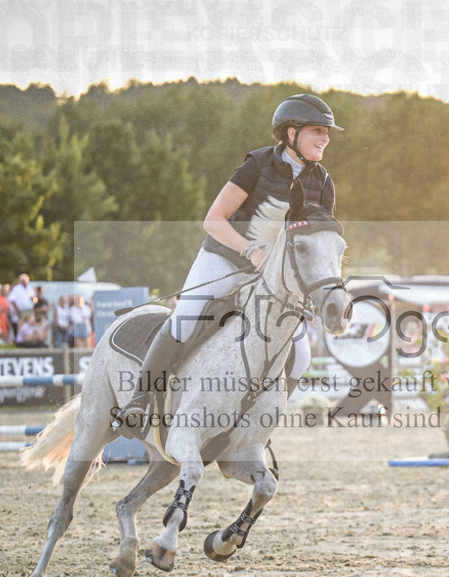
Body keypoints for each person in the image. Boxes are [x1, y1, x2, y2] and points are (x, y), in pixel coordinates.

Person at [112, 93, 342, 434]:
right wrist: (251, 251)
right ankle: (139, 401)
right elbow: (213, 219)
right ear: (291, 133)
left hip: (274, 277)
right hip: (225, 257)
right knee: (186, 318)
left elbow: (317, 243)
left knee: (302, 354)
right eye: (316, 130)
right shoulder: (257, 165)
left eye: (326, 132)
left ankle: (260, 429)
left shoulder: (322, 181)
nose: (324, 137)